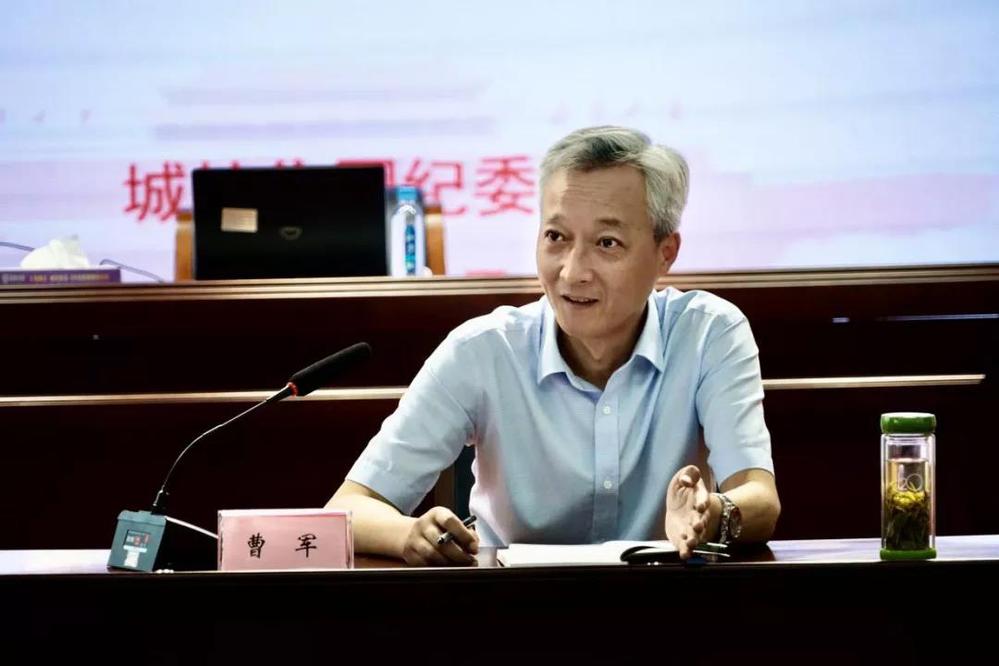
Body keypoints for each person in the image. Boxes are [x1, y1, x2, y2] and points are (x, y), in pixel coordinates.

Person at [326, 126, 780, 565]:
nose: (572, 271)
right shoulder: (483, 350)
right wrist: (409, 534)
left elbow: (760, 499)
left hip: (666, 603)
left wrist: (709, 514)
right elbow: (349, 508)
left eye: (607, 243)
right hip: (508, 606)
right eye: (556, 237)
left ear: (666, 253)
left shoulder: (708, 334)